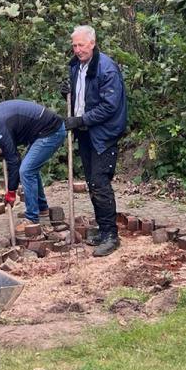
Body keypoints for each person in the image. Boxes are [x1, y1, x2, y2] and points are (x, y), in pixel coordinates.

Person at [63, 25, 126, 257]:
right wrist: (67, 93)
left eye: (81, 45)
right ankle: (103, 228)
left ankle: (111, 235)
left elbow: (109, 107)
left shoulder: (106, 68)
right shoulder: (77, 66)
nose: (77, 49)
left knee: (100, 183)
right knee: (92, 182)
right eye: (74, 45)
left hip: (104, 133)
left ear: (92, 43)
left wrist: (80, 120)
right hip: (86, 133)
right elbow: (83, 96)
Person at [0, 101, 67, 226]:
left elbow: (14, 161)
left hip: (52, 131)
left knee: (26, 170)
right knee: (31, 168)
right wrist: (6, 150)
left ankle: (32, 218)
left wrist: (11, 191)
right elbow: (10, 143)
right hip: (40, 133)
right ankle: (41, 209)